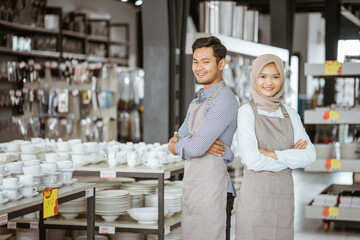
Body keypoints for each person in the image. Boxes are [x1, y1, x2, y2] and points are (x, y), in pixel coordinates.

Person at [234, 54, 316, 240]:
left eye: (275, 76)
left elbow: (310, 156)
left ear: (282, 79)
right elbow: (253, 160)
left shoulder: (290, 114)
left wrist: (271, 154)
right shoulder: (246, 112)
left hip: (283, 202)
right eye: (263, 76)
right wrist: (290, 157)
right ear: (254, 77)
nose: (269, 82)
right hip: (255, 202)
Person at [168, 36, 239, 240]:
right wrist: (197, 144)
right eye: (195, 61)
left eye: (205, 62)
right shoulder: (198, 99)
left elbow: (192, 147)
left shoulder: (224, 100)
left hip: (214, 191)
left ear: (221, 63)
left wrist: (194, 144)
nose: (198, 67)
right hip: (194, 188)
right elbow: (176, 140)